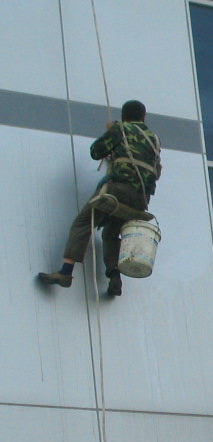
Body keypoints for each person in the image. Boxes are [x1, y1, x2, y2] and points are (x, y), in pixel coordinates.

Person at [38, 99, 161, 297]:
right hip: (140, 199)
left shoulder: (120, 129)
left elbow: (96, 152)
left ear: (123, 116)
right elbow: (156, 170)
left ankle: (66, 272)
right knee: (111, 233)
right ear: (144, 117)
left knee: (84, 222)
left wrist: (111, 130)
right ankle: (115, 277)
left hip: (117, 189)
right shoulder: (154, 139)